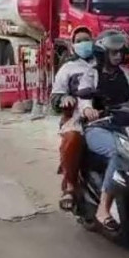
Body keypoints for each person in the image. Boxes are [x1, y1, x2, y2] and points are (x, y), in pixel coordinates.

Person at [76, 29, 129, 231]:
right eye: (113, 52)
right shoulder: (91, 74)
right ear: (103, 54)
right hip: (98, 127)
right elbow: (83, 99)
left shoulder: (126, 74)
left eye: (120, 52)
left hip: (126, 127)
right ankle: (103, 209)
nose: (118, 56)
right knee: (120, 153)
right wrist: (89, 109)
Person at [50, 29, 95, 211]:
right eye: (79, 40)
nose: (84, 43)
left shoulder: (101, 64)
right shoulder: (67, 68)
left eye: (87, 39)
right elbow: (55, 96)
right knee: (73, 138)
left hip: (103, 114)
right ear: (73, 45)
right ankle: (69, 185)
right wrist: (63, 100)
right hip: (76, 117)